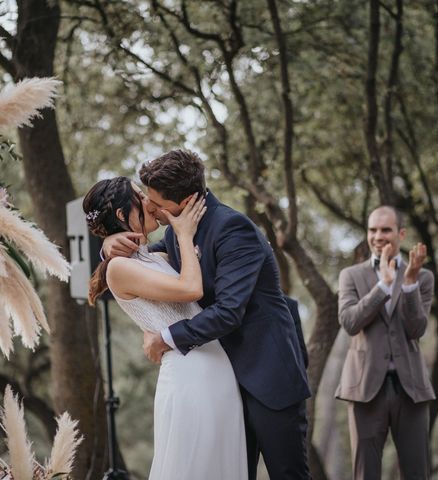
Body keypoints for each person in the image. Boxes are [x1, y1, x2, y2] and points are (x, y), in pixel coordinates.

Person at [103, 150, 311, 480]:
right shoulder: (174, 235)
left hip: (267, 374)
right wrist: (109, 241)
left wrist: (165, 339)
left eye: (156, 204)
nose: (151, 210)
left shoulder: (233, 229)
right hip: (222, 384)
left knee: (289, 475)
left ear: (184, 202)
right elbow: (141, 263)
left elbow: (228, 312)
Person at [84, 177, 247, 480]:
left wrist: (109, 244)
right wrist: (184, 235)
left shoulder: (154, 256)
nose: (147, 202)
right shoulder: (118, 269)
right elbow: (191, 288)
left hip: (215, 370)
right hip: (190, 376)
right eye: (139, 196)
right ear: (122, 215)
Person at [336, 205, 435, 480]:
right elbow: (350, 322)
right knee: (365, 473)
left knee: (417, 473)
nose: (378, 236)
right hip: (364, 389)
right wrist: (382, 287)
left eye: (385, 230)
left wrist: (410, 283)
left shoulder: (423, 277)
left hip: (411, 389)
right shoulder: (351, 276)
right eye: (372, 230)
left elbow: (417, 329)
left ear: (401, 234)